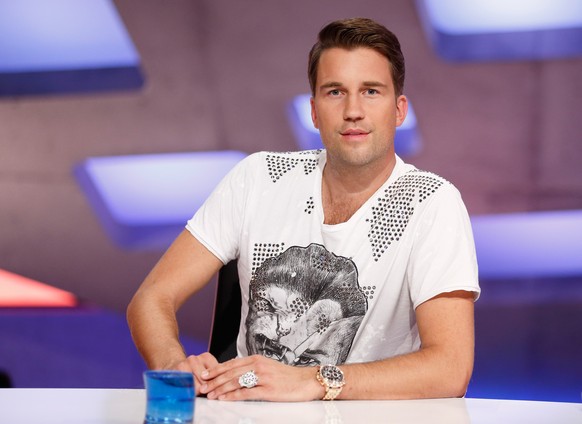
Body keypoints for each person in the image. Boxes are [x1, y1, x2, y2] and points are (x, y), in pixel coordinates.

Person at [127, 17, 480, 402]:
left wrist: (313, 380)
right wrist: (174, 366)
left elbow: (450, 368)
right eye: (335, 92)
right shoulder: (257, 178)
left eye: (371, 91)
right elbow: (151, 298)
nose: (353, 110)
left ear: (399, 110)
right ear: (313, 111)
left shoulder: (432, 203)